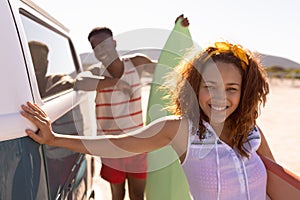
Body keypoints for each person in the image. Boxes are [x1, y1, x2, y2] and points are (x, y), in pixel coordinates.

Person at [21, 39, 275, 199]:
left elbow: (279, 184)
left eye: (231, 88)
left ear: (245, 93)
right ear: (196, 87)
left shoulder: (252, 133)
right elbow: (116, 143)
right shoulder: (180, 130)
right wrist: (54, 139)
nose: (220, 97)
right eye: (211, 86)